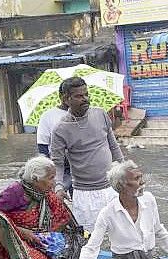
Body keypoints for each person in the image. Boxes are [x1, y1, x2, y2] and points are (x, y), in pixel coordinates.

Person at [0, 156, 80, 259]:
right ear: (35, 179)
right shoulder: (15, 191)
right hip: (13, 242)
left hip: (37, 238)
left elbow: (61, 218)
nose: (54, 182)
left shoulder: (44, 193)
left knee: (72, 251)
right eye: (51, 178)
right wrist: (22, 232)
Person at [50, 76, 125, 231]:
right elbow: (56, 163)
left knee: (122, 232)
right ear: (65, 99)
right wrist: (58, 187)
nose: (85, 99)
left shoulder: (100, 114)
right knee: (89, 239)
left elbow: (114, 147)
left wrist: (125, 171)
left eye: (86, 94)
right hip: (85, 194)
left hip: (112, 188)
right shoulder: (60, 129)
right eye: (79, 96)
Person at [36, 81, 72, 192]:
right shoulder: (48, 116)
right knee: (56, 199)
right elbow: (42, 144)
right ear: (61, 96)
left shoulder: (84, 115)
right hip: (58, 164)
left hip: (80, 165)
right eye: (68, 95)